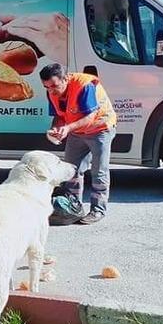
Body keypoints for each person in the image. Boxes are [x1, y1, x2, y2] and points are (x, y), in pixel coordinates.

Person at [40, 63, 116, 224]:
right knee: (71, 170)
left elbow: (90, 117)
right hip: (77, 131)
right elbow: (59, 115)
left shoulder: (84, 86)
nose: (51, 91)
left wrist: (67, 128)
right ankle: (74, 208)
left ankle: (98, 210)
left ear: (65, 79)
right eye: (46, 87)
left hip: (100, 129)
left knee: (99, 171)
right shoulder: (51, 92)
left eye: (54, 86)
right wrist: (55, 129)